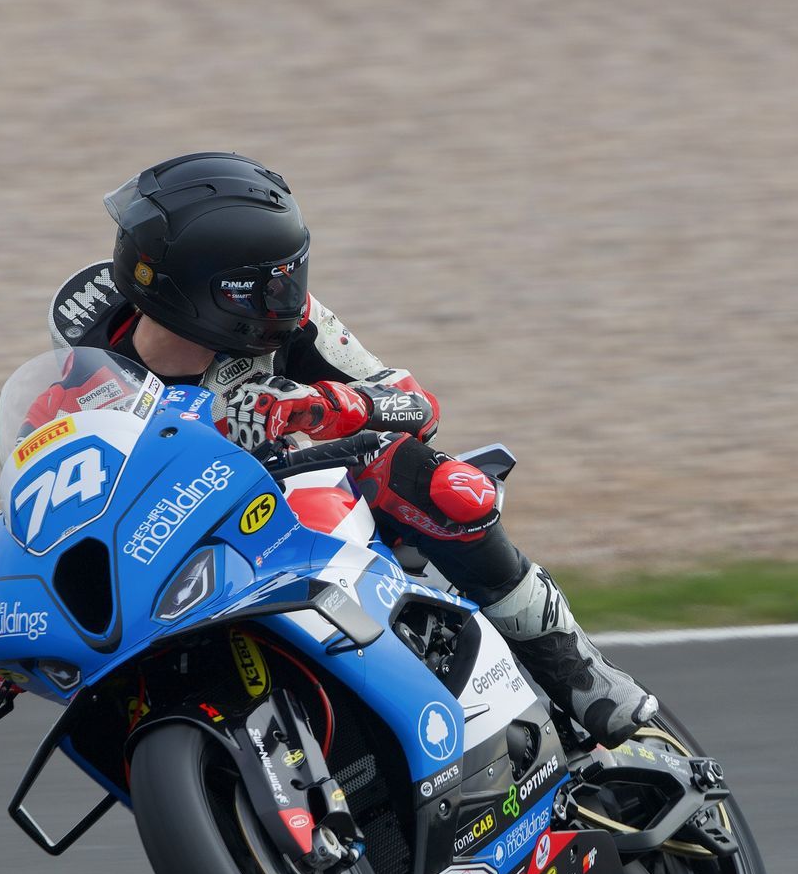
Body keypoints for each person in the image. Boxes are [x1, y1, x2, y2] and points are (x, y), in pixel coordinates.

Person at [41, 151, 659, 747]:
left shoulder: (294, 323)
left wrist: (328, 407)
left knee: (449, 487)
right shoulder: (84, 370)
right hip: (184, 538)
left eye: (289, 275)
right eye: (261, 285)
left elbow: (416, 405)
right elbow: (43, 491)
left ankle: (574, 668)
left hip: (305, 500)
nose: (285, 297)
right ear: (198, 290)